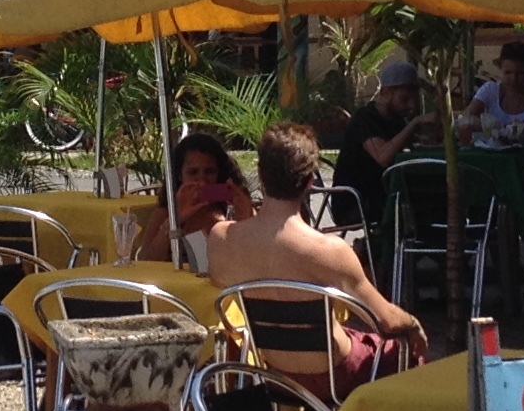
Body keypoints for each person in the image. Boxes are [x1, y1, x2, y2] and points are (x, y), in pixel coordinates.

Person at [210, 122, 428, 382]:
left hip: (276, 375)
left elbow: (220, 279)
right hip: (336, 375)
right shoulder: (329, 250)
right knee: (406, 349)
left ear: (260, 173)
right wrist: (413, 324)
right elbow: (386, 321)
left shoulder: (221, 238)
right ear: (311, 181)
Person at [333, 53, 432, 231]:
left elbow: (419, 144)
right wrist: (414, 124)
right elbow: (383, 157)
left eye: (413, 99)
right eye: (404, 99)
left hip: (384, 195)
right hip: (355, 202)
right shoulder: (365, 119)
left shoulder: (396, 121)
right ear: (386, 94)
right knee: (416, 204)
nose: (410, 106)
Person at [137, 129, 255, 263]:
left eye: (209, 172)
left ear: (220, 173)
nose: (202, 181)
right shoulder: (166, 212)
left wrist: (245, 218)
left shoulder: (234, 207)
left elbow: (257, 256)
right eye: (193, 172)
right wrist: (173, 222)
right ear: (179, 175)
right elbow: (146, 261)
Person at [459, 40, 524, 148]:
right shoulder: (489, 90)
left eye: (520, 73)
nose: (514, 79)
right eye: (508, 73)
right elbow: (464, 120)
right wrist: (485, 124)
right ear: (501, 69)